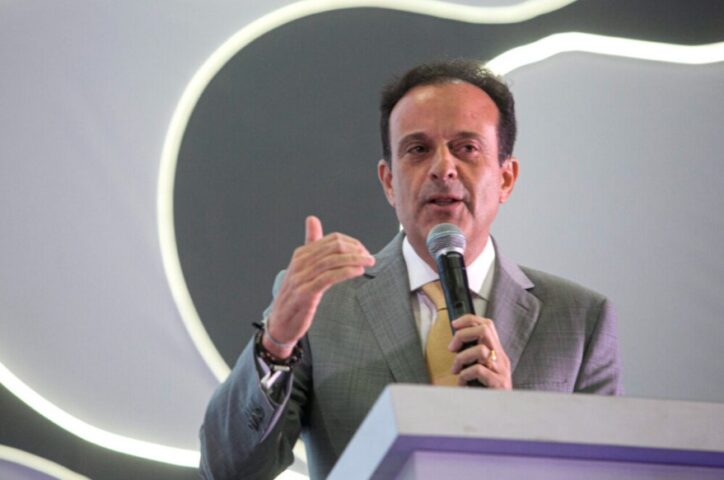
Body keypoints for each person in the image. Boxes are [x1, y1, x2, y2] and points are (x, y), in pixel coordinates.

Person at [199, 59, 622, 479]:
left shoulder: (580, 321)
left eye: (467, 148)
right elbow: (225, 472)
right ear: (388, 182)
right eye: (418, 149)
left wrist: (514, 426)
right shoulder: (324, 306)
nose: (443, 168)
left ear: (506, 178)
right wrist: (274, 346)